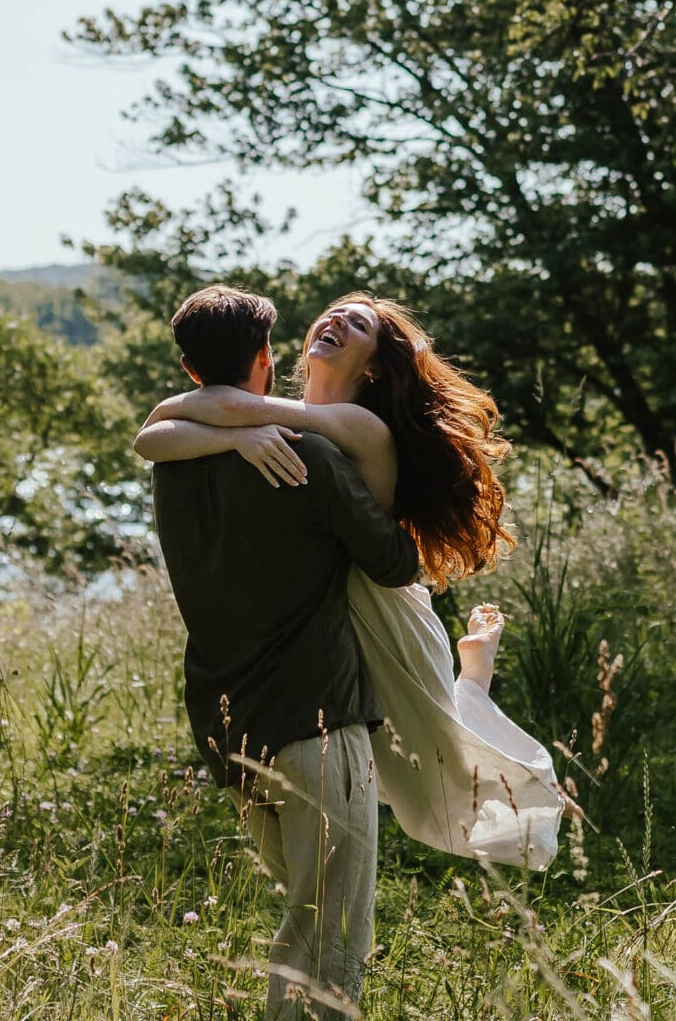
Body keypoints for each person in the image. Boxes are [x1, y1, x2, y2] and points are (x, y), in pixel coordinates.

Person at [136, 292, 569, 872]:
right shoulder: (274, 420)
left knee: (443, 751)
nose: (336, 318)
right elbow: (160, 434)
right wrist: (234, 436)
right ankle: (470, 673)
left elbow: (169, 421)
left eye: (357, 322)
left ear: (372, 366)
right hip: (332, 604)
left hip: (381, 602)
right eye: (333, 312)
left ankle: (476, 675)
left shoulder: (357, 425)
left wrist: (232, 426)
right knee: (412, 752)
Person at [147, 286, 419, 1019]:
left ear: (187, 365)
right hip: (316, 723)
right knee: (325, 944)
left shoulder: (171, 461)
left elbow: (156, 429)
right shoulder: (310, 456)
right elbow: (393, 563)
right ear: (268, 357)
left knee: (304, 921)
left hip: (226, 731)